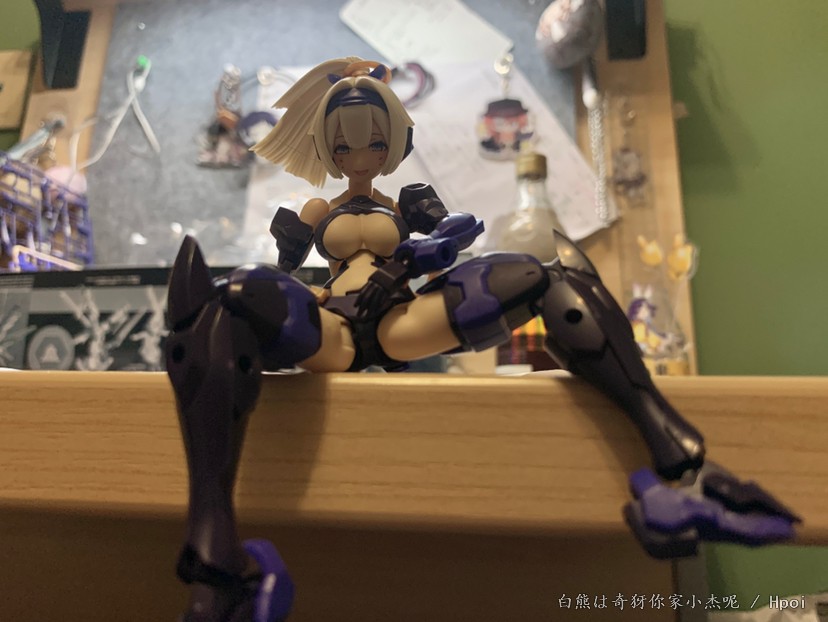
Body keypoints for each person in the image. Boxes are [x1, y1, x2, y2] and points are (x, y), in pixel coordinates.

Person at [165, 58, 799, 622]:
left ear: (394, 142)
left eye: (375, 140)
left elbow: (460, 230)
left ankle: (683, 475)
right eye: (344, 143)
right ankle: (218, 567)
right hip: (333, 328)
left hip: (400, 321)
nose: (359, 154)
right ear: (325, 148)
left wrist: (425, 250)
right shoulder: (314, 212)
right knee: (228, 300)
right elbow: (282, 274)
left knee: (545, 278)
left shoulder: (407, 202)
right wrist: (289, 296)